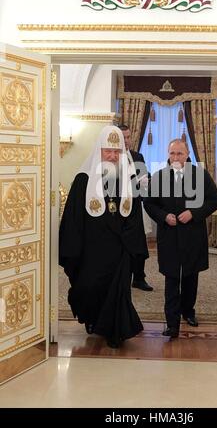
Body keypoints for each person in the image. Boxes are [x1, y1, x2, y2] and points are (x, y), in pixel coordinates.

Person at [59, 125, 148, 348]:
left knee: (118, 291)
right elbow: (73, 218)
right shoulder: (83, 180)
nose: (112, 156)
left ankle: (115, 332)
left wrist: (128, 240)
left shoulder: (129, 179)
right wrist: (74, 248)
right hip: (92, 249)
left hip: (120, 248)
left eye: (117, 151)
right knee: (89, 287)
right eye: (108, 150)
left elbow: (135, 214)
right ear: (99, 150)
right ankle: (94, 321)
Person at [144, 139, 217, 338]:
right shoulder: (159, 177)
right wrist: (163, 217)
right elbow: (149, 204)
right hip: (169, 236)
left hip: (193, 236)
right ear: (168, 155)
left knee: (190, 277)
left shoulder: (200, 175)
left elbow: (214, 201)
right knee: (171, 278)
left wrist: (193, 213)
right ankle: (172, 323)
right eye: (172, 153)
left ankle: (188, 311)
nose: (176, 157)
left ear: (187, 155)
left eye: (179, 153)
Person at [119, 124, 153, 292]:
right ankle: (120, 277)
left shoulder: (137, 156)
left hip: (136, 206)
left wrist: (147, 180)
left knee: (139, 244)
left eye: (128, 137)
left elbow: (145, 178)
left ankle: (139, 278)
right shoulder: (111, 157)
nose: (126, 141)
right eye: (123, 137)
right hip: (117, 209)